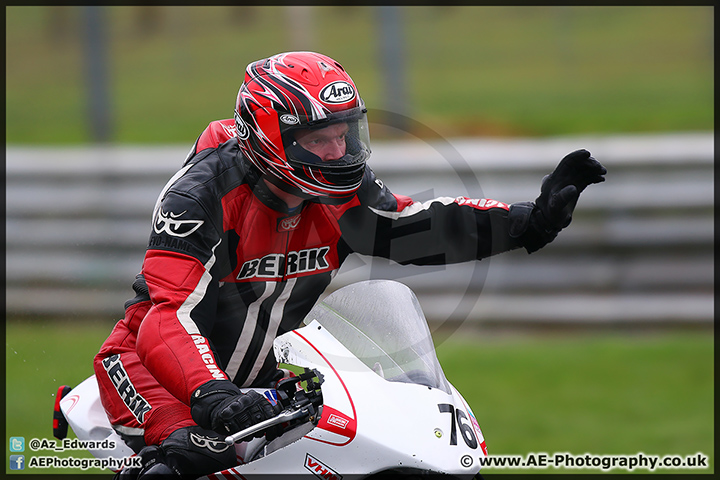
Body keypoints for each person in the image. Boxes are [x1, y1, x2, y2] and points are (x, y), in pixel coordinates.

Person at [95, 51, 606, 478]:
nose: (338, 150)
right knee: (192, 457)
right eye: (319, 138)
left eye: (344, 133)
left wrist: (530, 222)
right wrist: (212, 394)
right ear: (270, 135)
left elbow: (414, 225)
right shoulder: (200, 196)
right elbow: (168, 315)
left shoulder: (335, 189)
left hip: (257, 384)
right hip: (155, 374)